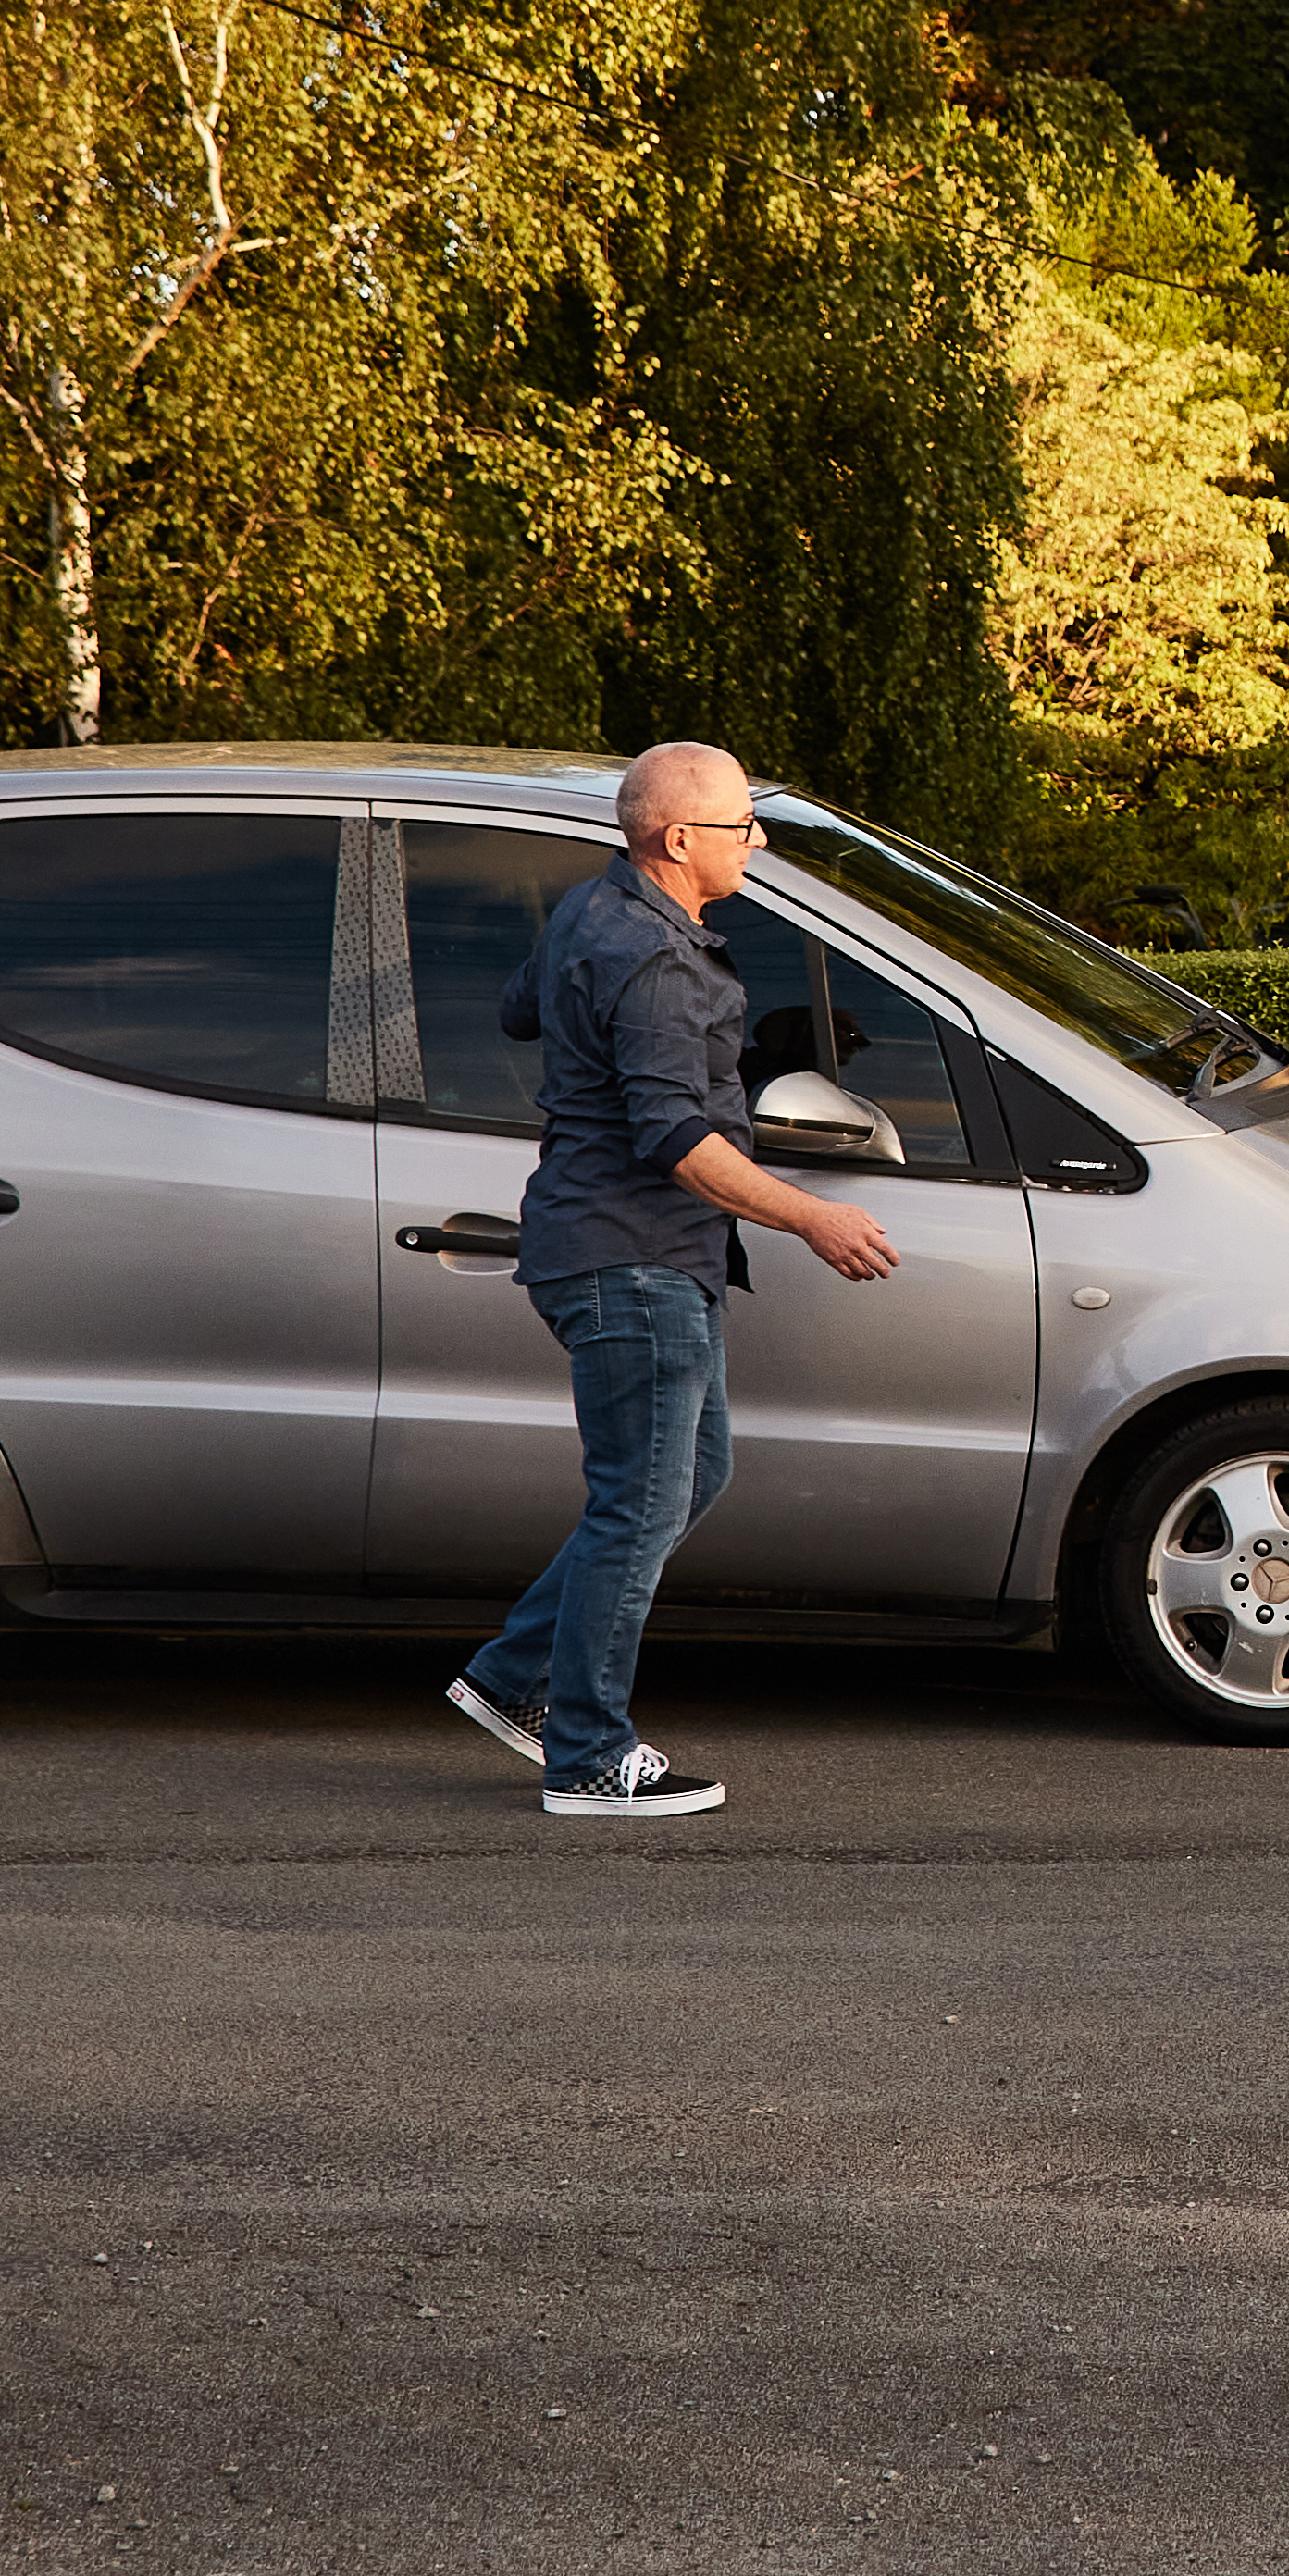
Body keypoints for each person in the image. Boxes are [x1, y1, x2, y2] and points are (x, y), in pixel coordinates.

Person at [443, 740, 896, 1823]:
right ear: (680, 839)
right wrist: (812, 1216)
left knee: (687, 1475)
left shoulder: (590, 915)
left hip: (614, 1246)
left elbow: (522, 1011)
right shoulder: (656, 958)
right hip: (629, 1254)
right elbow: (674, 1136)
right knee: (636, 1503)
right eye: (743, 824)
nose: (759, 841)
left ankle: (513, 1677)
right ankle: (589, 1754)